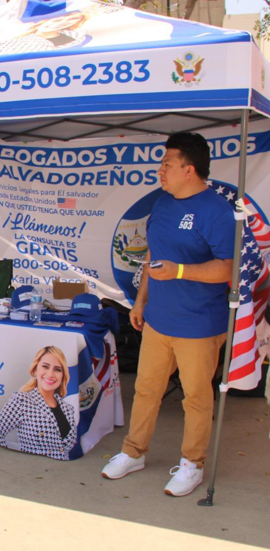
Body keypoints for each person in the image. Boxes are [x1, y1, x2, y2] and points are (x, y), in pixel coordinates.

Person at [101, 132, 235, 497]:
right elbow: (151, 257)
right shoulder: (162, 203)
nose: (160, 171)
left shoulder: (217, 211)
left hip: (198, 324)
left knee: (195, 398)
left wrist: (180, 271)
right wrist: (141, 301)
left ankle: (192, 464)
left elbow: (227, 269)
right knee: (146, 389)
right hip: (158, 318)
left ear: (189, 170)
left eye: (167, 164)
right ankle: (134, 452)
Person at [0, 346, 77, 460]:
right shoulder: (22, 400)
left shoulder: (68, 409)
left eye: (57, 369)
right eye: (45, 367)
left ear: (63, 375)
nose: (50, 374)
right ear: (35, 370)